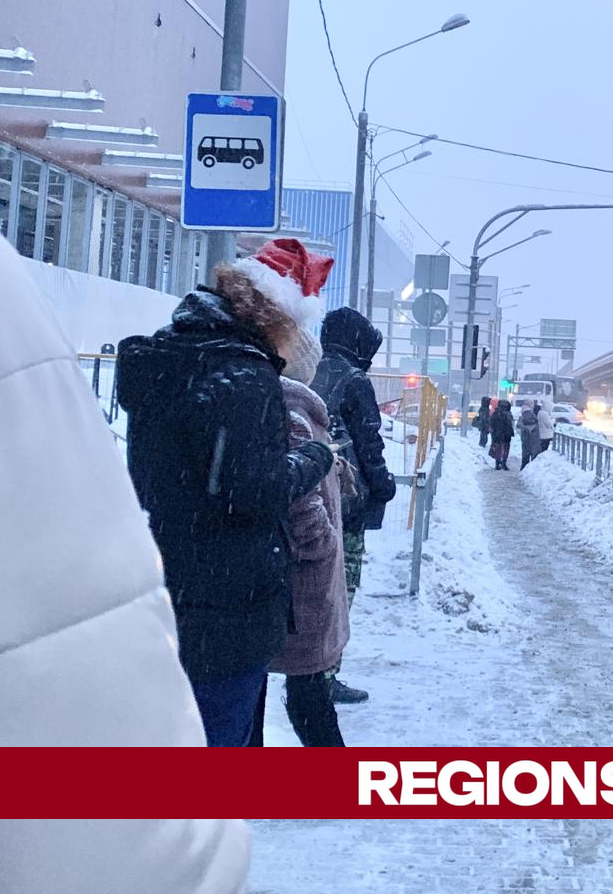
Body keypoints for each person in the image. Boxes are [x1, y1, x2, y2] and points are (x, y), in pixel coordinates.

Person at [0, 238, 251, 892]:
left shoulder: (155, 369)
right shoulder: (241, 380)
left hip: (182, 564)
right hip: (224, 588)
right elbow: (64, 616)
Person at [116, 238, 335, 747]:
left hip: (169, 578)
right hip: (228, 601)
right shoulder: (245, 375)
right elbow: (250, 490)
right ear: (277, 318)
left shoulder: (174, 354)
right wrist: (314, 458)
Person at [255, 327, 350, 747]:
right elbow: (298, 497)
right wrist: (320, 542)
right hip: (301, 576)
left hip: (291, 572)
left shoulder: (289, 405)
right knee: (306, 678)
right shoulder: (294, 406)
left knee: (289, 679)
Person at [310, 307, 397, 704]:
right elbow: (369, 444)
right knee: (340, 592)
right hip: (347, 504)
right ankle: (322, 678)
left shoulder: (312, 371)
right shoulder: (355, 380)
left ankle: (308, 674)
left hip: (312, 496)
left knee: (314, 589)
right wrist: (383, 486)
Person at [488, 398, 515, 470]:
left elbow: (492, 423)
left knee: (498, 449)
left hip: (497, 434)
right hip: (506, 434)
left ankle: (497, 463)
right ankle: (504, 463)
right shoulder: (508, 414)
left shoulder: (496, 413)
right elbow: (510, 424)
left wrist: (494, 431)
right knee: (506, 449)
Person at [518, 400, 541, 468]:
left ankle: (524, 468)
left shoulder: (524, 412)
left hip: (526, 437)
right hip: (530, 437)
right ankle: (526, 469)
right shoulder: (528, 412)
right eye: (532, 403)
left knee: (526, 453)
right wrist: (536, 421)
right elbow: (529, 422)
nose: (533, 405)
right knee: (530, 453)